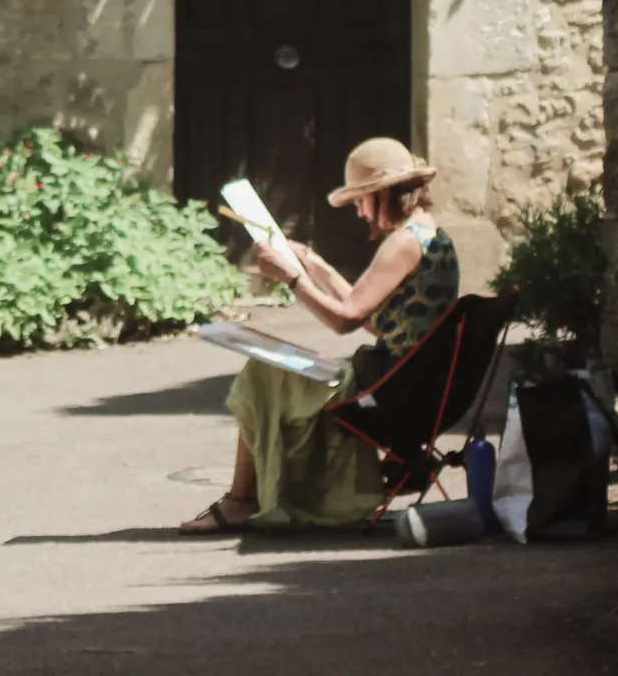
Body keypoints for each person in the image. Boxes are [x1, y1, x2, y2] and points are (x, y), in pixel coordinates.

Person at [179, 138, 460, 534]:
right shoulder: (427, 234)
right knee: (272, 366)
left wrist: (291, 278)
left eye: (361, 200)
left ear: (382, 195)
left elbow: (346, 320)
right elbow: (372, 317)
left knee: (263, 373)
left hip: (391, 387)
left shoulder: (403, 243)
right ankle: (253, 495)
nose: (360, 212)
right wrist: (316, 265)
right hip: (411, 380)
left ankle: (241, 501)